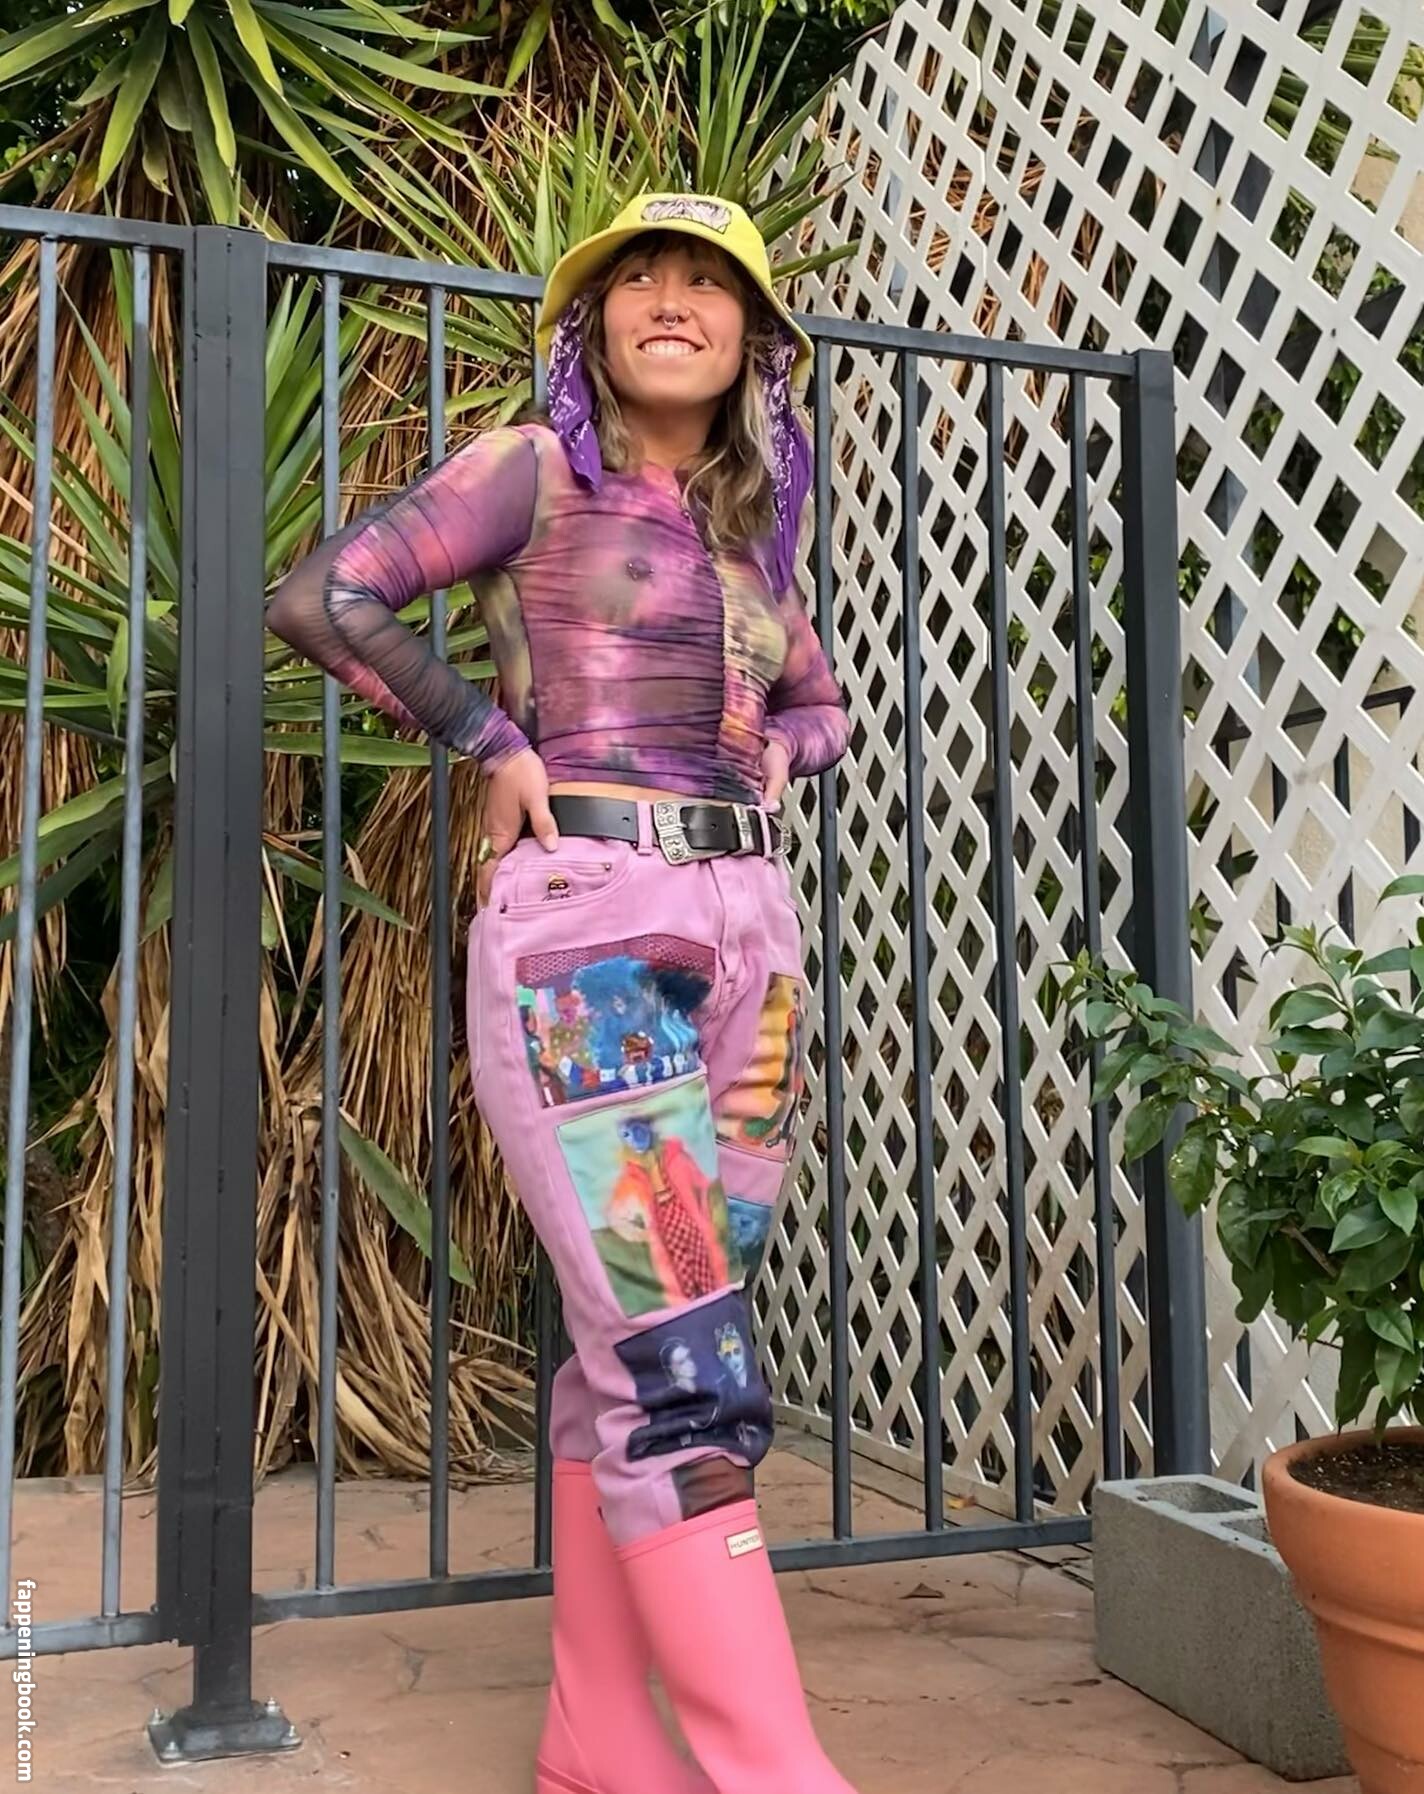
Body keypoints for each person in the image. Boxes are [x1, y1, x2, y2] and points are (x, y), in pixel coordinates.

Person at [265, 191, 856, 1794]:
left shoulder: (748, 535)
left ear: (754, 340)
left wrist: (783, 752)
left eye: (708, 281)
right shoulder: (533, 470)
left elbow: (823, 701)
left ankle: (596, 1737)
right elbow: (328, 593)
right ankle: (775, 1772)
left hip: (753, 949)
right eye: (636, 276)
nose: (670, 298)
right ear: (589, 328)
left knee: (634, 1349)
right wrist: (488, 735)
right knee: (685, 1355)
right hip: (595, 935)